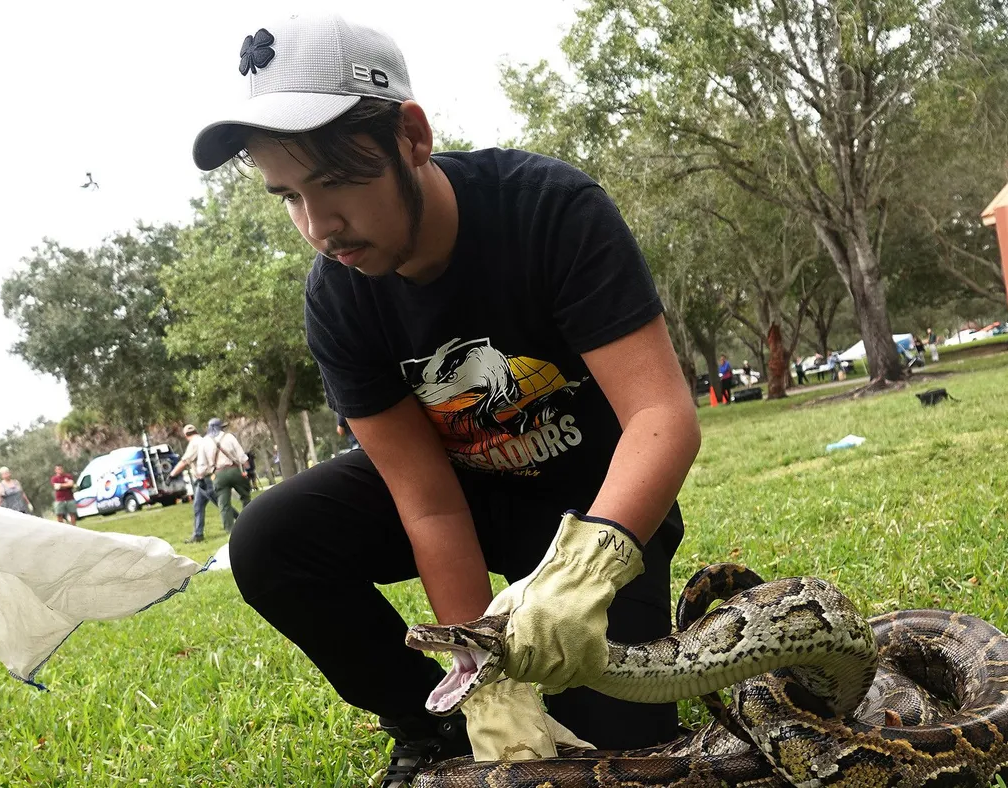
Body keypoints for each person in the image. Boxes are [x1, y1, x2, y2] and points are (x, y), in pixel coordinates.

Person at [192, 15, 698, 785]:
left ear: (412, 136)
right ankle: (430, 723)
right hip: (460, 491)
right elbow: (426, 502)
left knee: (618, 746)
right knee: (270, 540)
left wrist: (584, 571)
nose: (318, 225)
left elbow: (662, 417)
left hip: (593, 507)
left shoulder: (552, 211)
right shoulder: (337, 297)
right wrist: (483, 677)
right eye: (288, 195)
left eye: (334, 181)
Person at [169, 423, 217, 543]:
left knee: (221, 504)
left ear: (186, 435)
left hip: (205, 479)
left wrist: (172, 475)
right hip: (204, 479)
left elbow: (185, 461)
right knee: (198, 506)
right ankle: (198, 535)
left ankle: (242, 519)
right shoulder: (202, 440)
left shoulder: (194, 443)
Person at [202, 418, 252, 532]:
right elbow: (242, 456)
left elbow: (202, 464)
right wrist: (248, 470)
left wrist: (206, 473)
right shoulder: (229, 437)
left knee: (223, 503)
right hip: (234, 470)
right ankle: (248, 521)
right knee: (245, 496)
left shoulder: (204, 441)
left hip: (218, 474)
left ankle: (230, 529)